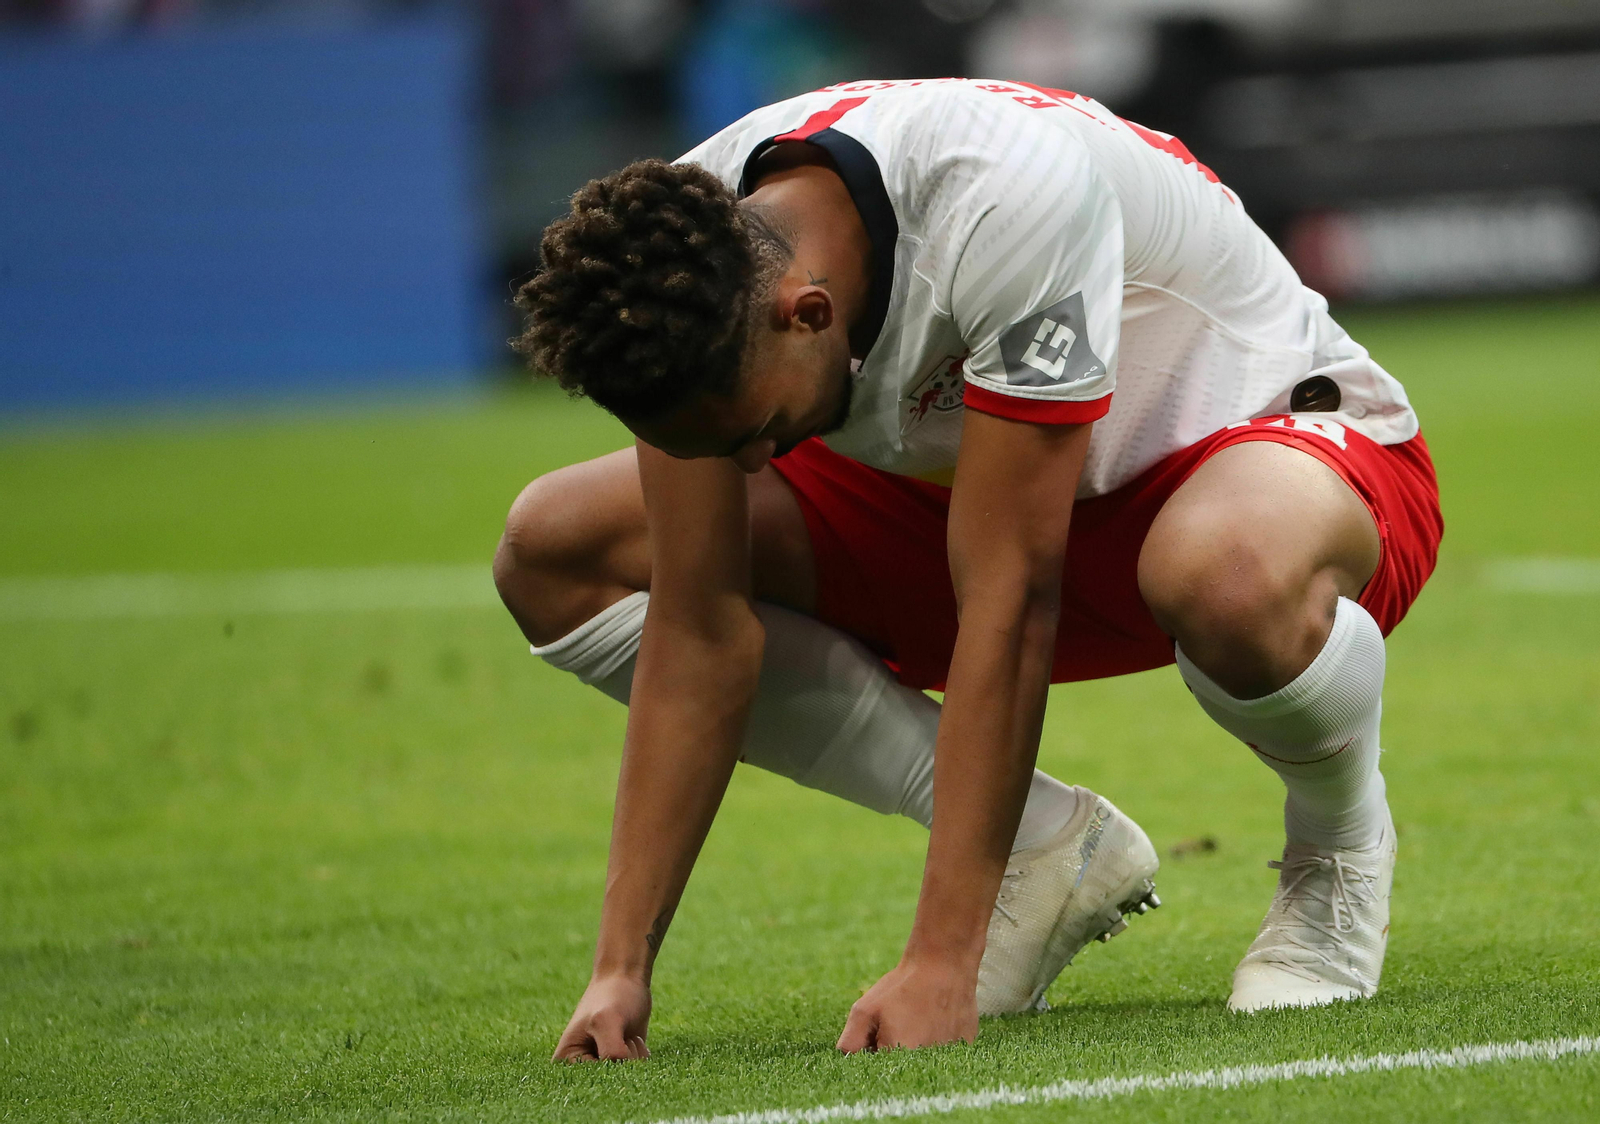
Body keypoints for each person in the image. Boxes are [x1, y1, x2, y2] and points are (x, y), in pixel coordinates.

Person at [495, 78, 1442, 1061]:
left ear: (807, 311)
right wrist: (620, 964)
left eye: (755, 434)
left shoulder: (1004, 199)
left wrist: (940, 957)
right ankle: (1049, 843)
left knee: (1222, 571)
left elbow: (1007, 596)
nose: (742, 468)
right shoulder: (689, 263)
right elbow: (700, 624)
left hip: (1265, 459)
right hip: (988, 494)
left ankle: (1337, 847)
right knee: (556, 546)